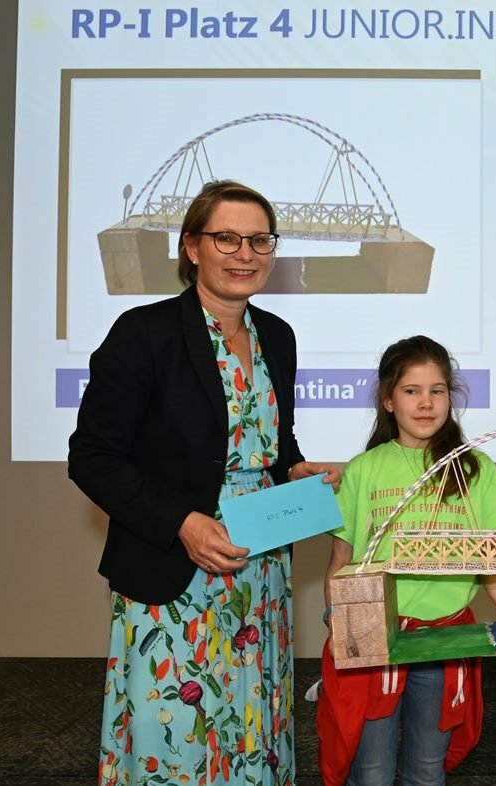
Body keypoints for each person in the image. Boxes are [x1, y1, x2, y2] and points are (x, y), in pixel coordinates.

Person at [69, 180, 340, 786]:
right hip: (173, 566)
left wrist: (294, 471)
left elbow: (269, 442)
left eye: (260, 240)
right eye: (227, 238)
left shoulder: (278, 337)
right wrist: (181, 523)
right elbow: (92, 455)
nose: (245, 254)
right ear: (192, 247)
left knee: (250, 723)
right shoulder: (143, 333)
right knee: (177, 731)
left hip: (258, 569)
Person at [317, 335, 496, 786]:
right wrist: (338, 624)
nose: (426, 403)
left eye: (437, 390)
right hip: (376, 642)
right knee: (370, 772)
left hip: (443, 641)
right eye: (411, 391)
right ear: (388, 400)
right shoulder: (363, 469)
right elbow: (341, 562)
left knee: (427, 770)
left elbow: (494, 564)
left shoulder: (475, 468)